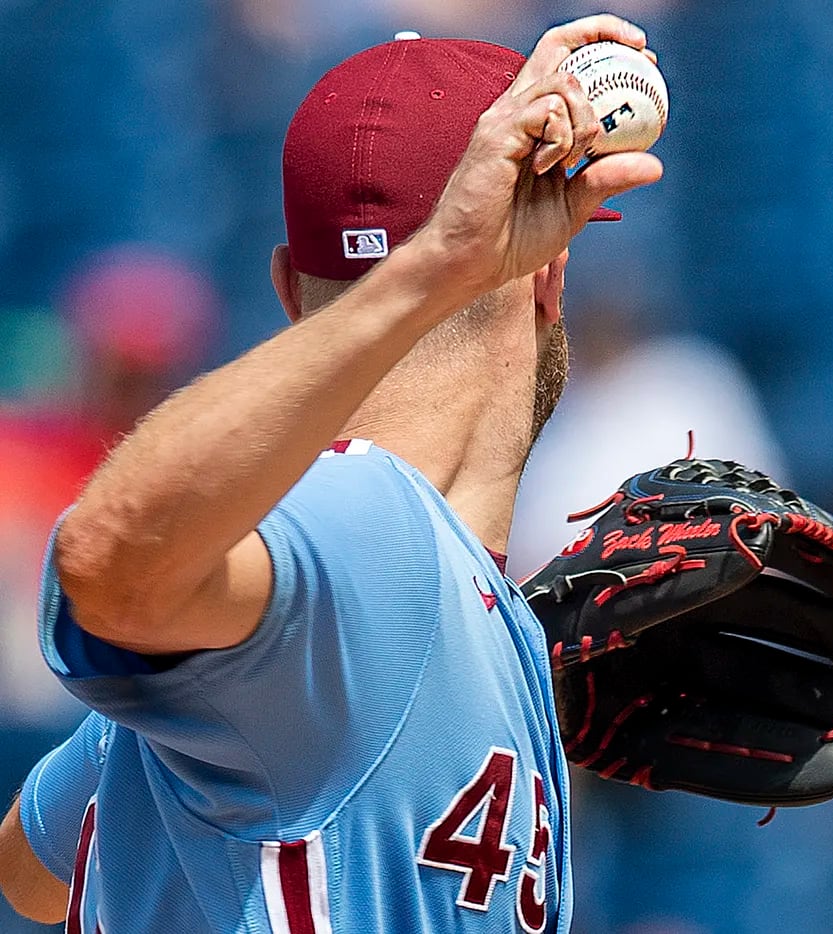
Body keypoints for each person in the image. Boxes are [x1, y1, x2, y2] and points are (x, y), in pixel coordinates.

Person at [0, 13, 663, 931]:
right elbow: (106, 557)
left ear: (286, 290)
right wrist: (437, 264)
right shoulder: (369, 523)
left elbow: (31, 866)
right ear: (552, 277)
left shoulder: (342, 616)